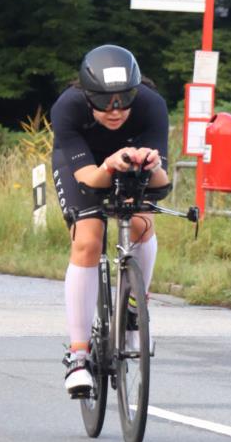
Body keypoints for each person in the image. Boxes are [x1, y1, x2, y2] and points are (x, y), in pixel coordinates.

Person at [50, 45, 170, 396]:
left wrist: (153, 164)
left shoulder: (151, 105)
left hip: (129, 165)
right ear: (87, 97)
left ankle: (135, 309)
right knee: (88, 240)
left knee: (141, 223)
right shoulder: (67, 107)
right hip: (86, 167)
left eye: (124, 99)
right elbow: (88, 179)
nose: (115, 110)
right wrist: (109, 164)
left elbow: (162, 186)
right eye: (104, 102)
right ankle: (78, 355)